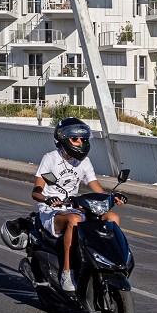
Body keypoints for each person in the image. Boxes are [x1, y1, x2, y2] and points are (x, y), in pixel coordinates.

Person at [30, 117, 124, 293]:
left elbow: (97, 188)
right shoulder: (50, 158)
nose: (80, 143)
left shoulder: (84, 162)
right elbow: (36, 191)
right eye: (75, 139)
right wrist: (46, 199)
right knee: (74, 220)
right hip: (52, 211)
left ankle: (111, 262)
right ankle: (66, 271)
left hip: (74, 206)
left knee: (112, 218)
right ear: (63, 140)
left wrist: (113, 197)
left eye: (83, 139)